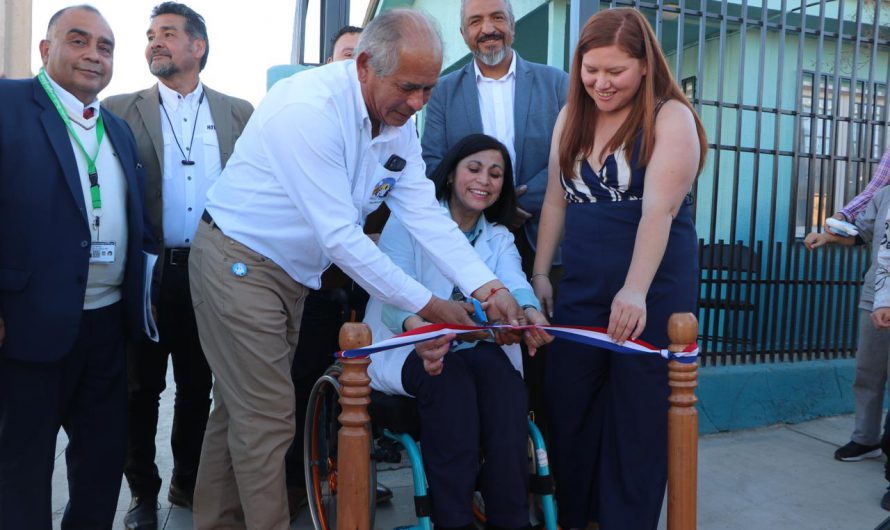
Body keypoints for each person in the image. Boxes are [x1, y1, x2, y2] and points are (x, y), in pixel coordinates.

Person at [187, 9, 527, 529]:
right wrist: (433, 306)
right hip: (239, 261)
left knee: (240, 412)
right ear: (365, 65)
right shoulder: (307, 108)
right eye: (409, 87)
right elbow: (342, 238)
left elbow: (425, 216)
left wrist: (490, 284)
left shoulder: (398, 126)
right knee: (269, 417)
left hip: (290, 276)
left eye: (429, 90)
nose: (418, 104)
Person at [532, 8, 707, 529]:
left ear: (645, 64)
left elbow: (659, 210)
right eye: (591, 70)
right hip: (583, 282)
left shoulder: (671, 117)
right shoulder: (572, 116)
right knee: (569, 403)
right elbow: (555, 202)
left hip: (652, 285)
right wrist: (541, 273)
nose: (600, 83)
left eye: (616, 71)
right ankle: (575, 516)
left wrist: (633, 290)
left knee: (638, 416)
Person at [0, 5, 154, 528]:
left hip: (107, 330)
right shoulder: (7, 105)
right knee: (21, 468)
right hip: (26, 327)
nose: (93, 55)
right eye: (79, 41)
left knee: (102, 465)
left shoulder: (117, 128)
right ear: (46, 51)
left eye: (105, 47)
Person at [102, 3, 253, 528]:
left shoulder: (239, 112)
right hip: (147, 272)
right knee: (141, 388)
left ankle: (189, 483)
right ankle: (143, 492)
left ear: (199, 47)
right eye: (149, 35)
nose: (154, 43)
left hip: (214, 272)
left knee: (198, 385)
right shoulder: (117, 109)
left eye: (167, 33)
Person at [366, 134, 552, 530]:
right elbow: (393, 293)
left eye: (496, 173)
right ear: (451, 175)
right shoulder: (409, 221)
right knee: (451, 387)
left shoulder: (498, 236)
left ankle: (511, 521)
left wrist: (530, 310)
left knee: (508, 391)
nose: (484, 180)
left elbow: (514, 283)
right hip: (411, 344)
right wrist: (425, 332)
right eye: (474, 168)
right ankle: (454, 522)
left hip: (474, 347)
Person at [420, 0, 567, 441]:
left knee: (542, 351)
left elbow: (572, 154)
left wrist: (515, 200)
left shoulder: (555, 82)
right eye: (476, 22)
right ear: (464, 34)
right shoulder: (444, 91)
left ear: (513, 26)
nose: (489, 30)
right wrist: (491, 203)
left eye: (498, 18)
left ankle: (541, 472)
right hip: (475, 240)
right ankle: (491, 463)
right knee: (486, 349)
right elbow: (433, 162)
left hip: (544, 232)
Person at [816, 146, 890, 462]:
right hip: (876, 294)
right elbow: (861, 235)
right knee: (868, 370)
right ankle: (866, 438)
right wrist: (828, 237)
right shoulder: (884, 195)